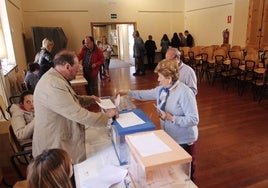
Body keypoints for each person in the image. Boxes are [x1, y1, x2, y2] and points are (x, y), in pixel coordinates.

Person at [33, 50, 118, 164]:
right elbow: (77, 113)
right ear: (67, 66)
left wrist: (90, 99)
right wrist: (106, 116)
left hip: (57, 139)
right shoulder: (53, 84)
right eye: (77, 69)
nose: (77, 72)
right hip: (53, 148)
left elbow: (71, 100)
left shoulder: (55, 78)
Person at [126, 59, 199, 182]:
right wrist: (127, 93)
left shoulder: (185, 92)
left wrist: (171, 118)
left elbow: (194, 119)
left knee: (185, 175)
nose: (158, 80)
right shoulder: (162, 89)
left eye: (160, 77)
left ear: (169, 78)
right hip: (170, 137)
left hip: (184, 141)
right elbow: (145, 94)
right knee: (174, 172)